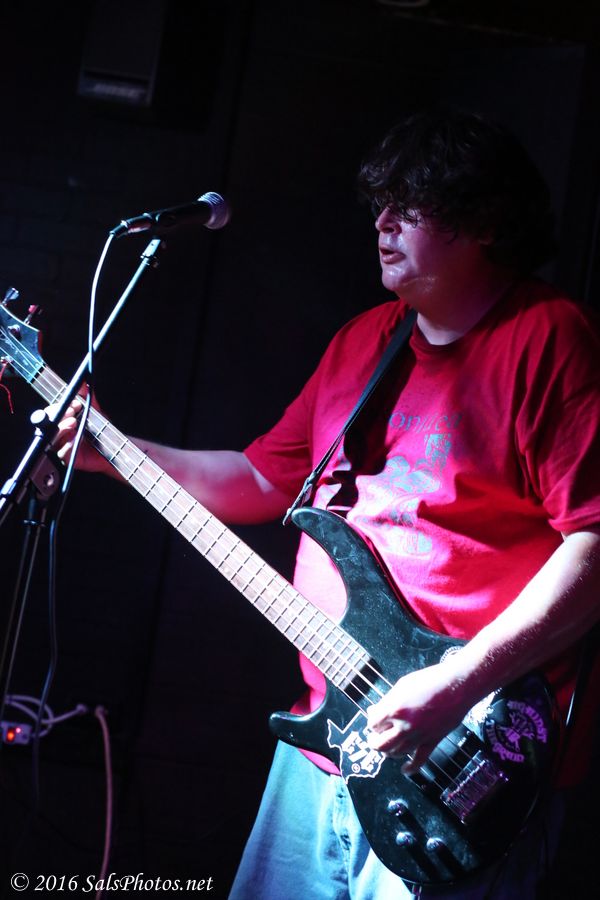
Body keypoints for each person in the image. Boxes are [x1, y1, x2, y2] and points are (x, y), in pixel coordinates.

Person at [55, 110, 600, 898]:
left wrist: (454, 686)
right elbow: (261, 479)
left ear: (484, 220)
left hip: (465, 761)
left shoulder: (549, 340)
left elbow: (593, 545)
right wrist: (108, 450)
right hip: (328, 744)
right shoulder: (365, 342)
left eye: (410, 205)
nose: (382, 223)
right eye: (380, 204)